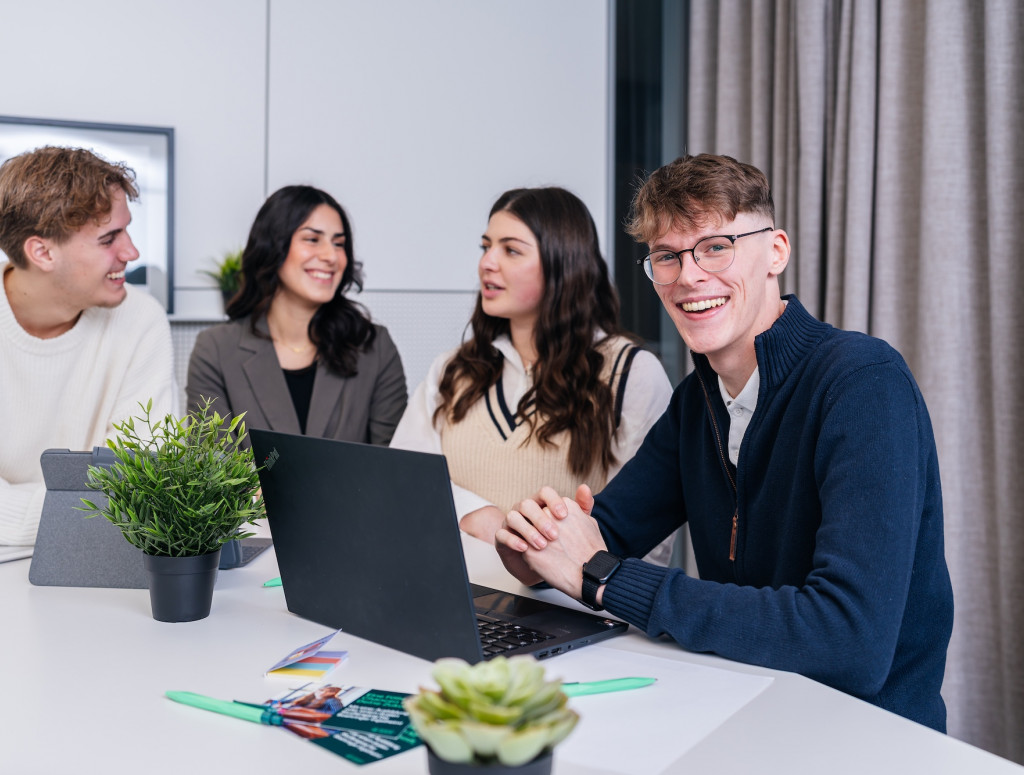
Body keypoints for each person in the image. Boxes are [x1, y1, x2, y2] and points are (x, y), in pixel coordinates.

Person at [495, 155, 954, 732]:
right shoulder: (697, 401)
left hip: (869, 739)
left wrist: (604, 576)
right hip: (745, 719)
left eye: (716, 246)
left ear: (777, 252)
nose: (689, 276)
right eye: (667, 256)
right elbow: (603, 531)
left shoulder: (862, 382)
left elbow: (847, 641)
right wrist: (533, 546)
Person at [390, 187, 672, 545]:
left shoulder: (631, 373)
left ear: (563, 263)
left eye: (510, 250)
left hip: (565, 601)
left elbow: (645, 537)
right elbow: (402, 481)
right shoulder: (450, 370)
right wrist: (472, 513)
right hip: (449, 595)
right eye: (485, 247)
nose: (487, 263)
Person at [0, 146, 174, 545]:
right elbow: (109, 502)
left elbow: (140, 486)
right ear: (42, 251)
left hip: (100, 553)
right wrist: (75, 509)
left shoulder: (141, 320)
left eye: (127, 230)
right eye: (109, 238)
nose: (132, 252)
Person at [187, 185, 407, 446]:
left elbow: (393, 464)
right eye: (312, 239)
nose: (331, 257)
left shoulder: (374, 347)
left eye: (339, 244)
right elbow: (214, 470)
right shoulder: (215, 349)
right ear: (273, 246)